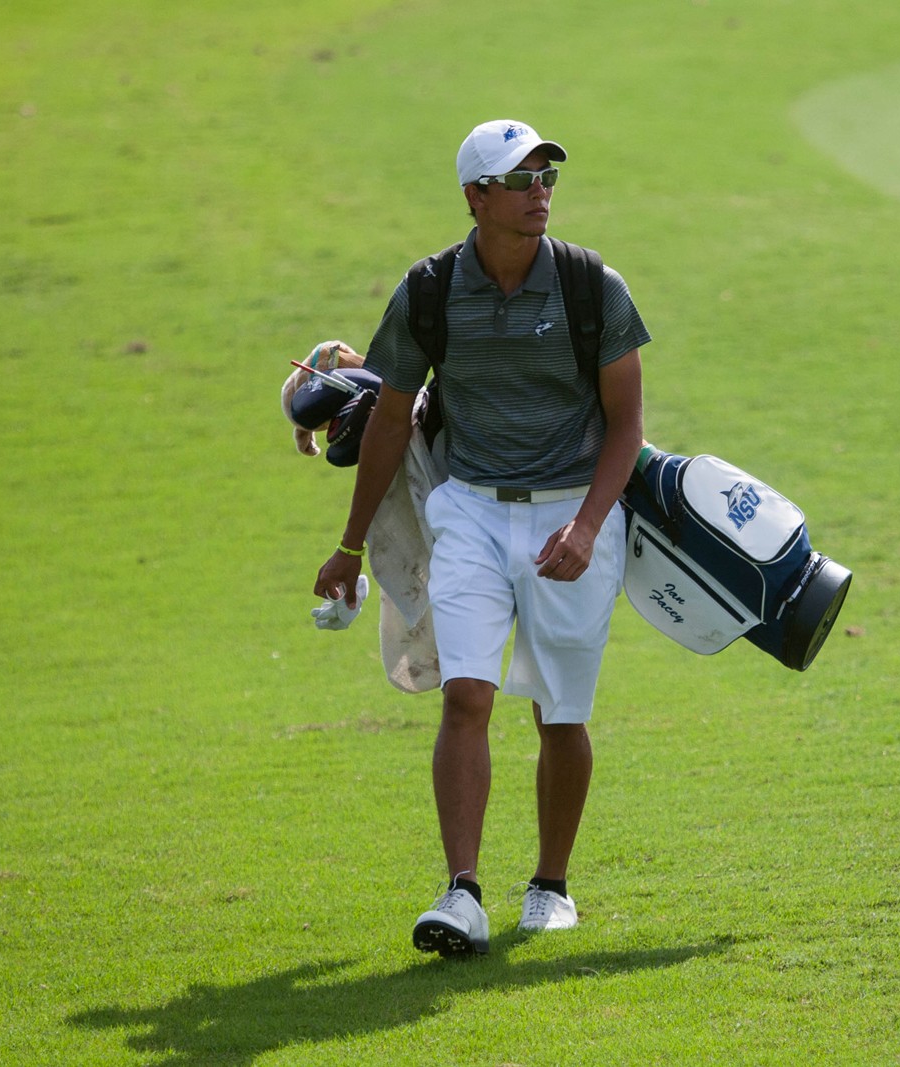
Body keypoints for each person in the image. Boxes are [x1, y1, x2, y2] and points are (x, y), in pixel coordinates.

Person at [313, 119, 650, 957]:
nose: (540, 191)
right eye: (520, 178)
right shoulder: (429, 291)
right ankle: (462, 892)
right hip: (468, 509)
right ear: (476, 196)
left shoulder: (591, 286)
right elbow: (391, 419)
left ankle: (550, 885)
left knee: (559, 711)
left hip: (571, 512)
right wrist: (349, 546)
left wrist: (588, 524)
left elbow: (628, 425)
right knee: (467, 694)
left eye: (546, 176)